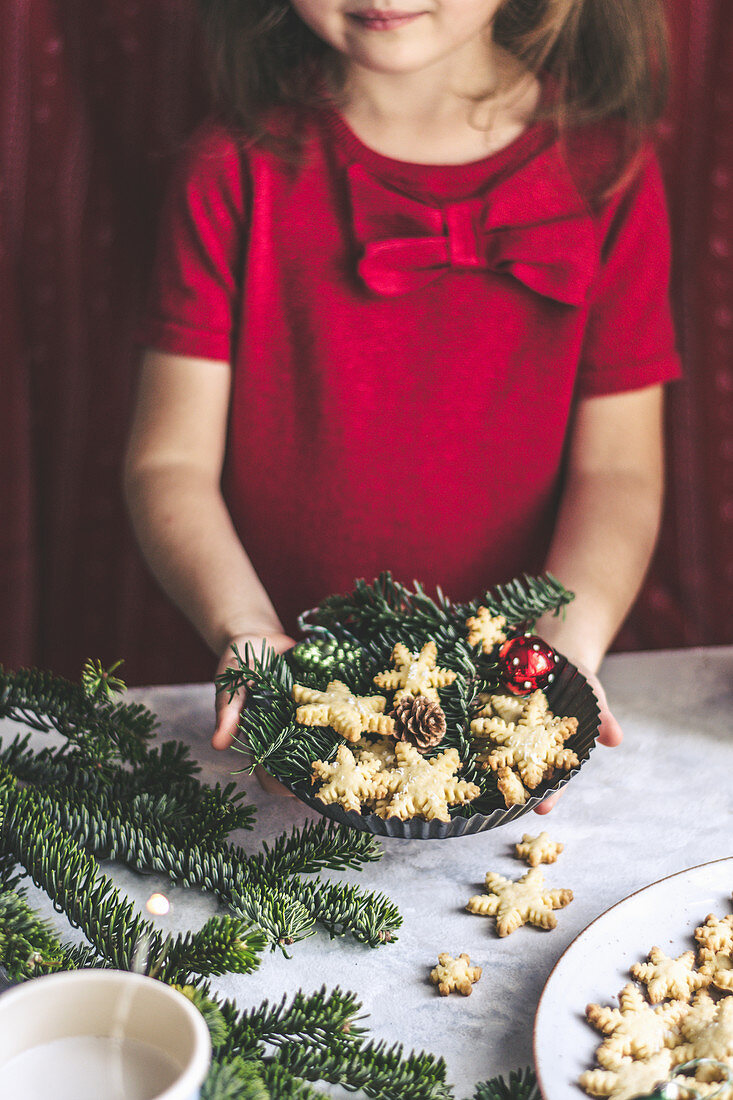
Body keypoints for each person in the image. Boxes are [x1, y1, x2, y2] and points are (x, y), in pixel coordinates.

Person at [124, 0, 681, 811]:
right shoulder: (231, 167)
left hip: (502, 702)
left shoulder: (607, 167)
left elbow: (621, 471)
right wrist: (238, 625)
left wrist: (567, 645)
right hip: (274, 728)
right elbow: (167, 462)